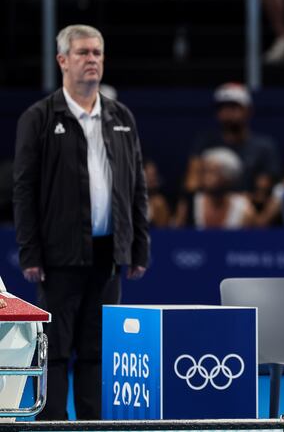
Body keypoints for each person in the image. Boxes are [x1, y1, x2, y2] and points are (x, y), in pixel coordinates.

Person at [13, 24, 149, 420]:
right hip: (58, 252)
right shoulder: (38, 118)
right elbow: (24, 191)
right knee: (55, 347)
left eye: (97, 53)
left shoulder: (121, 117)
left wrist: (138, 245)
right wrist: (30, 251)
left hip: (108, 253)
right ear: (62, 60)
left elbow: (136, 185)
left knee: (97, 349)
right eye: (83, 53)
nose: (92, 60)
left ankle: (92, 425)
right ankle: (52, 422)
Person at [184, 82, 281, 204]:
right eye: (222, 107)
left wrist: (236, 204)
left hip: (248, 212)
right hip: (209, 208)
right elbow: (191, 184)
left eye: (233, 107)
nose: (227, 113)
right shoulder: (205, 142)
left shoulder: (264, 146)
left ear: (248, 110)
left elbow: (262, 193)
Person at [174, 147, 257, 229]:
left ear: (229, 177)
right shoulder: (189, 202)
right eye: (205, 171)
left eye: (212, 172)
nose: (206, 177)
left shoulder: (243, 209)